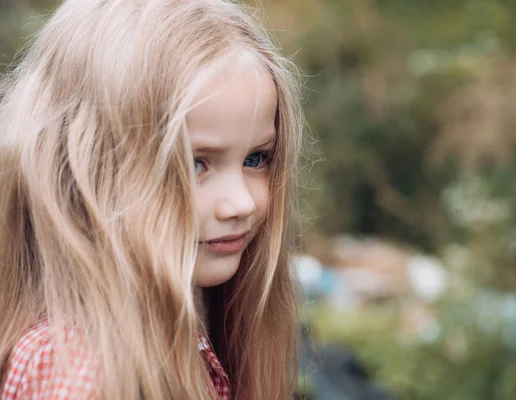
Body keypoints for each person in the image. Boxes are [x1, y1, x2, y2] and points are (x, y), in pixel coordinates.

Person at [0, 0, 303, 398]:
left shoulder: (195, 330)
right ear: (85, 168)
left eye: (255, 158)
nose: (241, 203)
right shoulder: (81, 368)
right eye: (194, 165)